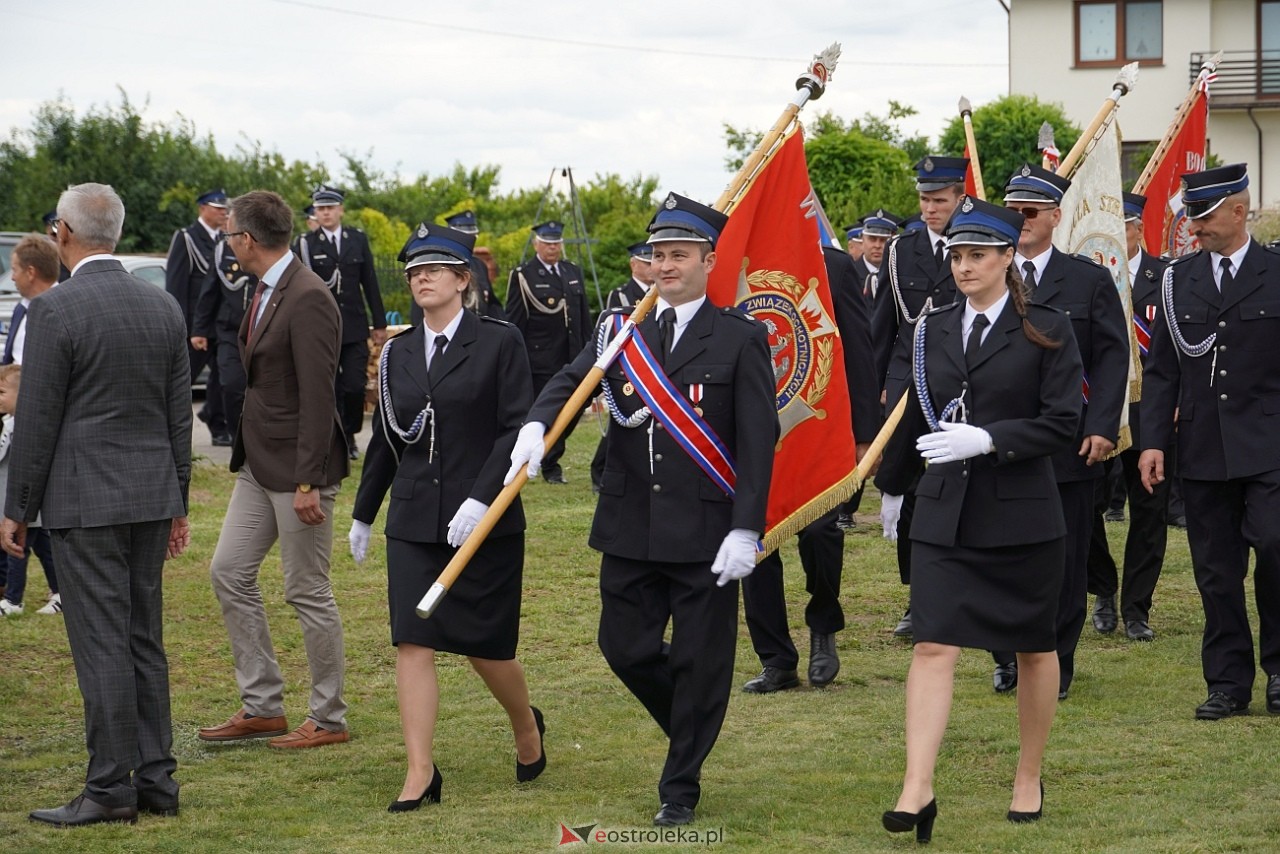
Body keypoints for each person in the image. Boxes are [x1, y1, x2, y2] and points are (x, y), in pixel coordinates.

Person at [508, 193, 777, 827]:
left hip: (707, 529)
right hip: (630, 525)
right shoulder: (621, 332)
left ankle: (680, 784)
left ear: (709, 260)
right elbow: (570, 381)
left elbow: (759, 440)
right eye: (657, 255)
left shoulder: (740, 338)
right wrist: (538, 424)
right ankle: (692, 723)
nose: (665, 266)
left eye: (679, 255)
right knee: (624, 648)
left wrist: (747, 526)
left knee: (699, 659)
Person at [876, 198, 1082, 842]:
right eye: (957, 256)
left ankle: (1028, 773)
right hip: (945, 513)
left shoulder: (1046, 326)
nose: (964, 267)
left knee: (1033, 647)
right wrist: (891, 488)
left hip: (1020, 513)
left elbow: (1063, 422)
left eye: (977, 256)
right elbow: (916, 415)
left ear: (1005, 258)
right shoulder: (931, 329)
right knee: (934, 643)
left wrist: (990, 439)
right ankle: (917, 784)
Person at [3, 182, 191, 826]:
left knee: (102, 642)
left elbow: (37, 418)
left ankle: (110, 787)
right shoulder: (162, 307)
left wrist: (16, 505)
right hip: (149, 494)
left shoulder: (55, 310)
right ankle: (157, 778)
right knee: (144, 637)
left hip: (83, 500)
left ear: (63, 232)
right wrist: (180, 501)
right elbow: (176, 420)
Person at [349, 222, 544, 811]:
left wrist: (483, 498)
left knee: (486, 647)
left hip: (482, 517)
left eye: (435, 269)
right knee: (413, 640)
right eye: (414, 271)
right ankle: (420, 772)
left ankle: (526, 726)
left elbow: (516, 427)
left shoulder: (499, 342)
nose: (421, 278)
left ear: (463, 280)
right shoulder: (399, 350)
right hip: (413, 519)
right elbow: (389, 437)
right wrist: (363, 513)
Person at [198, 190, 351, 748]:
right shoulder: (262, 287)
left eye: (230, 233)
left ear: (246, 239)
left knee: (306, 588)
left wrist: (311, 478)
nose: (227, 241)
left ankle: (329, 717)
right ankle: (262, 705)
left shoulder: (308, 295)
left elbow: (319, 395)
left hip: (299, 469)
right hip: (258, 463)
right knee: (228, 572)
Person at [1139, 164, 1280, 720]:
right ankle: (1227, 681)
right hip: (1203, 446)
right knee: (1216, 570)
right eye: (1191, 215)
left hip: (1270, 443)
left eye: (1205, 215)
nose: (1194, 227)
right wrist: (1153, 441)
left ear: (1238, 211)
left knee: (1274, 547)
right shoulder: (1177, 280)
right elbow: (1162, 371)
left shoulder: (1275, 271)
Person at [990, 164, 1128, 700]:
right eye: (1013, 211)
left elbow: (1113, 357)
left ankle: (1057, 660)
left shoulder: (1087, 279)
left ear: (1055, 216)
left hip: (1069, 446)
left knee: (1066, 561)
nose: (1020, 221)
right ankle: (1006, 656)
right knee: (1001, 555)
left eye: (1029, 212)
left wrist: (1102, 428)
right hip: (1001, 444)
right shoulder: (985, 271)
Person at [740, 240, 880, 692]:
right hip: (751, 429)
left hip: (815, 421)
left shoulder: (834, 266)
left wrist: (864, 437)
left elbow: (859, 351)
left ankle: (824, 628)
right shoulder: (733, 256)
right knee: (756, 539)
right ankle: (776, 658)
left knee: (820, 533)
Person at [871, 156, 968, 639]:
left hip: (962, 384)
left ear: (960, 198)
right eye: (924, 200)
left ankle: (962, 591)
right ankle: (918, 599)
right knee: (906, 491)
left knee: (958, 490)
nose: (930, 209)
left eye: (939, 200)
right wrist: (878, 394)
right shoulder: (899, 249)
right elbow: (882, 327)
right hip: (907, 384)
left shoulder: (977, 243)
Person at [1086, 191, 1169, 641]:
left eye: (1128, 225)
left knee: (1150, 509)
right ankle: (1102, 588)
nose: (1120, 234)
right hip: (1100, 403)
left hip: (1151, 407)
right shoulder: (1091, 276)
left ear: (1139, 228)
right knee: (1088, 503)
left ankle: (1137, 607)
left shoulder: (1166, 276)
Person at [293, 183, 388, 459]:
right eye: (320, 209)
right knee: (330, 385)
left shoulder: (356, 239)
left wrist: (379, 323)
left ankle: (350, 432)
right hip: (322, 328)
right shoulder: (306, 244)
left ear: (340, 210)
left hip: (355, 326)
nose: (325, 213)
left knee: (355, 386)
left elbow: (369, 282)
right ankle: (339, 439)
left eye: (330, 208)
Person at [504, 221, 592, 484]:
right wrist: (516, 361)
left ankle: (549, 456)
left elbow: (583, 317)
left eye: (556, 243)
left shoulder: (571, 271)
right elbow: (516, 321)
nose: (553, 247)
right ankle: (550, 465)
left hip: (573, 355)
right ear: (536, 244)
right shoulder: (524, 275)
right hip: (541, 358)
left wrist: (590, 348)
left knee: (574, 409)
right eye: (547, 243)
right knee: (547, 411)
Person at [166, 188, 229, 445]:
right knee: (183, 377)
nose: (223, 212)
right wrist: (182, 324)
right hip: (195, 325)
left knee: (223, 377)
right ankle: (166, 423)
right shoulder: (187, 238)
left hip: (221, 322)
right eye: (218, 208)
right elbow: (177, 284)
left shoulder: (226, 239)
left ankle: (217, 423)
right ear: (202, 208)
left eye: (225, 209)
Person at [590, 241, 655, 490]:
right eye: (645, 262)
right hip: (625, 365)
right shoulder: (620, 294)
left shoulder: (662, 291)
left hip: (650, 361)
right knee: (620, 420)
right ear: (633, 264)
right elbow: (609, 331)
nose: (650, 267)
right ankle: (600, 471)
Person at [0, 365, 59, 616]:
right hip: (18, 505)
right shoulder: (10, 422)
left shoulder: (25, 426)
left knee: (16, 549)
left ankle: (13, 601)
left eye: (1, 392)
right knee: (45, 550)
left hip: (26, 505)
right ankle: (62, 592)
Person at [191, 234, 257, 445]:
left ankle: (255, 439)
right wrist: (199, 329)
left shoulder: (267, 246)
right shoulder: (222, 250)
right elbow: (209, 292)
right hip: (230, 330)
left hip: (260, 328)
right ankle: (238, 439)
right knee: (231, 384)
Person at [408, 210, 505, 324]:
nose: (467, 242)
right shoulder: (440, 264)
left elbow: (492, 305)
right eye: (462, 237)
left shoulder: (479, 265)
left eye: (471, 237)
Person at [5, 235, 59, 365]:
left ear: (30, 272)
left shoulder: (63, 310)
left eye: (14, 270)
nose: (12, 278)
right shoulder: (21, 309)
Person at [854, 209, 900, 301]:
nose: (877, 245)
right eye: (872, 239)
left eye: (883, 240)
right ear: (862, 240)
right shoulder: (851, 274)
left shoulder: (899, 274)